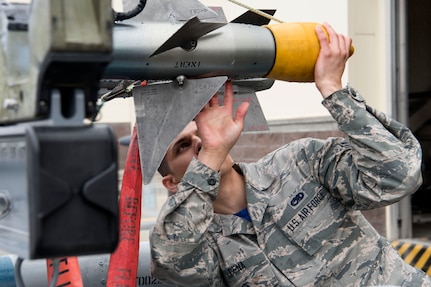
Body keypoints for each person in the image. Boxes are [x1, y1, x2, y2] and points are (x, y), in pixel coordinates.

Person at [149, 22, 431, 286]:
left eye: (201, 130)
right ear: (171, 182)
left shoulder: (300, 162)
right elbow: (174, 266)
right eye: (183, 146)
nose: (202, 140)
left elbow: (399, 176)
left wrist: (333, 91)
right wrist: (211, 153)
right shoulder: (201, 240)